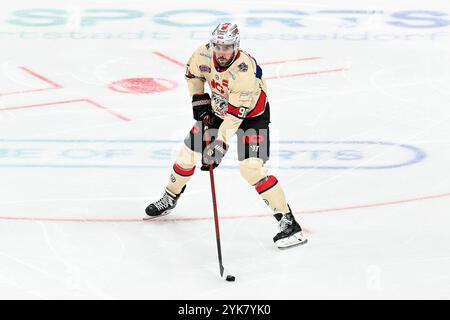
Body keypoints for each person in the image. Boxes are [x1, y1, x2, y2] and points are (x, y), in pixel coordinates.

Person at [144, 22, 307, 249]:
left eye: (227, 47)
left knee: (251, 168)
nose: (222, 52)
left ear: (236, 46)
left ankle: (289, 222)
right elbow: (192, 75)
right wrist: (199, 100)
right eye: (218, 46)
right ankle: (170, 197)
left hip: (251, 116)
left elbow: (235, 117)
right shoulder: (202, 54)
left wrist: (219, 144)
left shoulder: (244, 71)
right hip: (219, 109)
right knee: (186, 155)